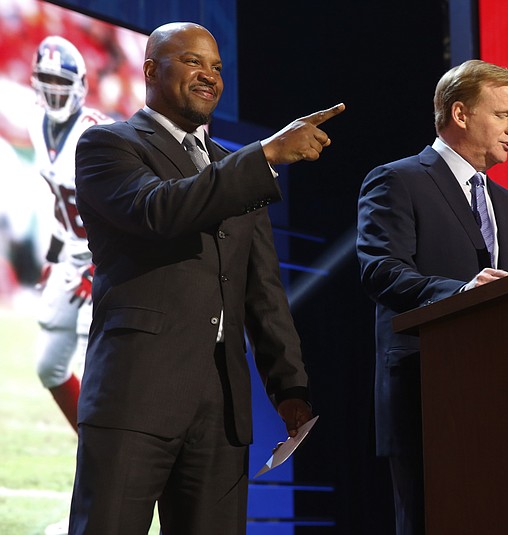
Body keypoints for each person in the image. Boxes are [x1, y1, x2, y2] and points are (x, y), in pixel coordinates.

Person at [68, 22, 344, 535]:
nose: (209, 76)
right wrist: (264, 154)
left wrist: (290, 386)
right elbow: (159, 210)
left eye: (217, 67)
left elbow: (262, 287)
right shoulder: (109, 145)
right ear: (151, 70)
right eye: (193, 62)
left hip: (223, 410)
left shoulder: (231, 167)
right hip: (136, 395)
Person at [356, 59, 508, 535]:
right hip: (429, 393)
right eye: (504, 115)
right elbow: (380, 270)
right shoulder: (398, 180)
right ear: (460, 115)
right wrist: (462, 293)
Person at [28, 35, 113, 437]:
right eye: (46, 79)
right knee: (49, 364)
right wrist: (53, 256)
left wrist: (98, 265)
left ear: (79, 84)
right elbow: (62, 209)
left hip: (107, 255)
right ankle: (92, 441)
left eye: (61, 80)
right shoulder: (35, 124)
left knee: (98, 362)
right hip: (71, 256)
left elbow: (120, 210)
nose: (53, 89)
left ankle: (109, 450)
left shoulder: (97, 132)